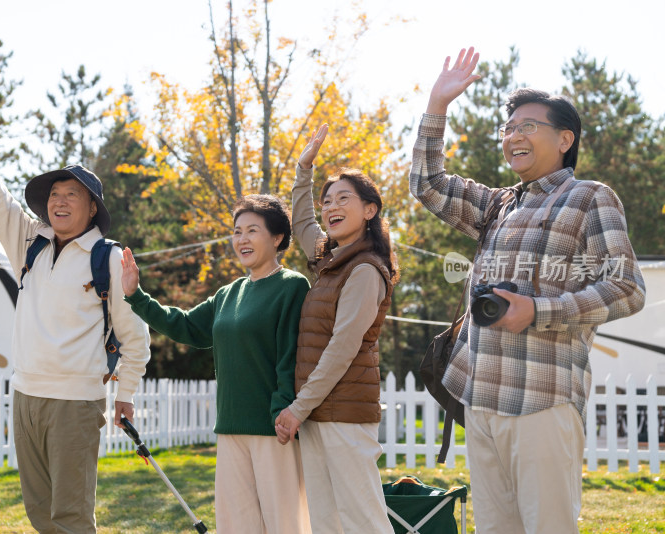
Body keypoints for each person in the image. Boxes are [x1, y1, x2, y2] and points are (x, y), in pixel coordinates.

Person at [409, 48, 646, 534]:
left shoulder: (589, 197)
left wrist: (538, 311)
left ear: (565, 138)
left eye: (527, 126)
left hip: (542, 400)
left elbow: (627, 288)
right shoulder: (499, 204)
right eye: (508, 128)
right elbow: (428, 183)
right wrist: (438, 105)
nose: (513, 135)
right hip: (481, 398)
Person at [0, 87, 151, 533]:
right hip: (25, 393)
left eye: (72, 195)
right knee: (40, 513)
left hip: (76, 402)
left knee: (70, 515)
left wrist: (126, 394)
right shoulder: (29, 243)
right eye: (55, 194)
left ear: (92, 208)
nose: (59, 201)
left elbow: (134, 335)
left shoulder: (108, 257)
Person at [120, 194, 312, 534]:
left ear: (277, 237)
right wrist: (137, 296)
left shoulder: (292, 286)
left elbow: (290, 356)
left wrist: (284, 409)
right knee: (235, 524)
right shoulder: (228, 294)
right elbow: (186, 326)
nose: (242, 239)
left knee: (285, 525)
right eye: (237, 232)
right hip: (230, 426)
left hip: (274, 428)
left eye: (252, 230)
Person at [274, 123, 399, 534]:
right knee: (327, 521)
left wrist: (298, 407)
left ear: (370, 210)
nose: (331, 207)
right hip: (319, 413)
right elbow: (302, 224)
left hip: (343, 413)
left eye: (343, 198)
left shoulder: (364, 270)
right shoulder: (332, 259)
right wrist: (303, 169)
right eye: (328, 201)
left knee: (363, 521)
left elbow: (343, 347)